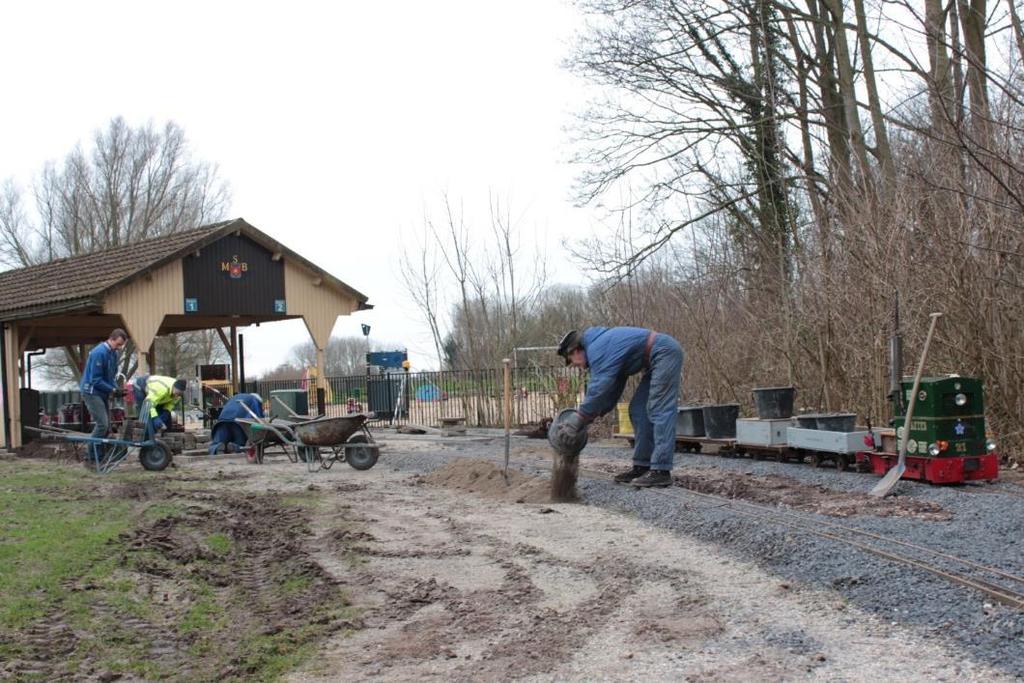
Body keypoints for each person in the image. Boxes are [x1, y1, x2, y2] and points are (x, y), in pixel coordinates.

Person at [554, 327, 684, 488]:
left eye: (572, 361)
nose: (576, 365)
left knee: (659, 409)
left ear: (575, 350)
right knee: (638, 410)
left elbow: (599, 386)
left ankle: (661, 471)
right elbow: (612, 389)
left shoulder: (597, 349)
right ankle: (642, 466)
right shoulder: (601, 348)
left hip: (664, 353)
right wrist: (592, 415)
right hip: (654, 360)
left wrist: (579, 418)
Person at [79, 329, 128, 465]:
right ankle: (91, 456)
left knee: (106, 427)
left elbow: (110, 375)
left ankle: (100, 455)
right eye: (118, 344)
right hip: (92, 392)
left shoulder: (112, 354)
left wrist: (116, 389)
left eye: (121, 346)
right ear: (111, 339)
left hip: (102, 392)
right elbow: (96, 379)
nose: (119, 348)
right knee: (102, 424)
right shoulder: (99, 353)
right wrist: (111, 389)